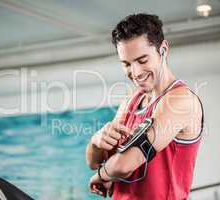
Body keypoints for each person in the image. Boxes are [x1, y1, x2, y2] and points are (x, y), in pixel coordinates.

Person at [85, 13, 204, 200]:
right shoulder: (132, 100)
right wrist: (95, 141)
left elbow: (123, 165)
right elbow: (95, 161)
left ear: (163, 49)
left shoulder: (180, 100)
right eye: (126, 64)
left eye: (142, 60)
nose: (136, 72)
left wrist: (101, 175)